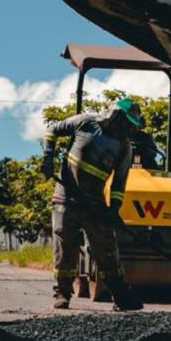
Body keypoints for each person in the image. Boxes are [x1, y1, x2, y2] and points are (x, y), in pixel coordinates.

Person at [40, 98, 145, 311]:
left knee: (106, 248)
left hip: (95, 204)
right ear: (115, 116)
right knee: (65, 245)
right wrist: (48, 156)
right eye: (127, 122)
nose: (129, 128)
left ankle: (120, 295)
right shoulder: (85, 123)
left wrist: (113, 209)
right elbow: (51, 130)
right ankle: (62, 292)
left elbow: (119, 183)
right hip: (66, 197)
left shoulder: (124, 147)